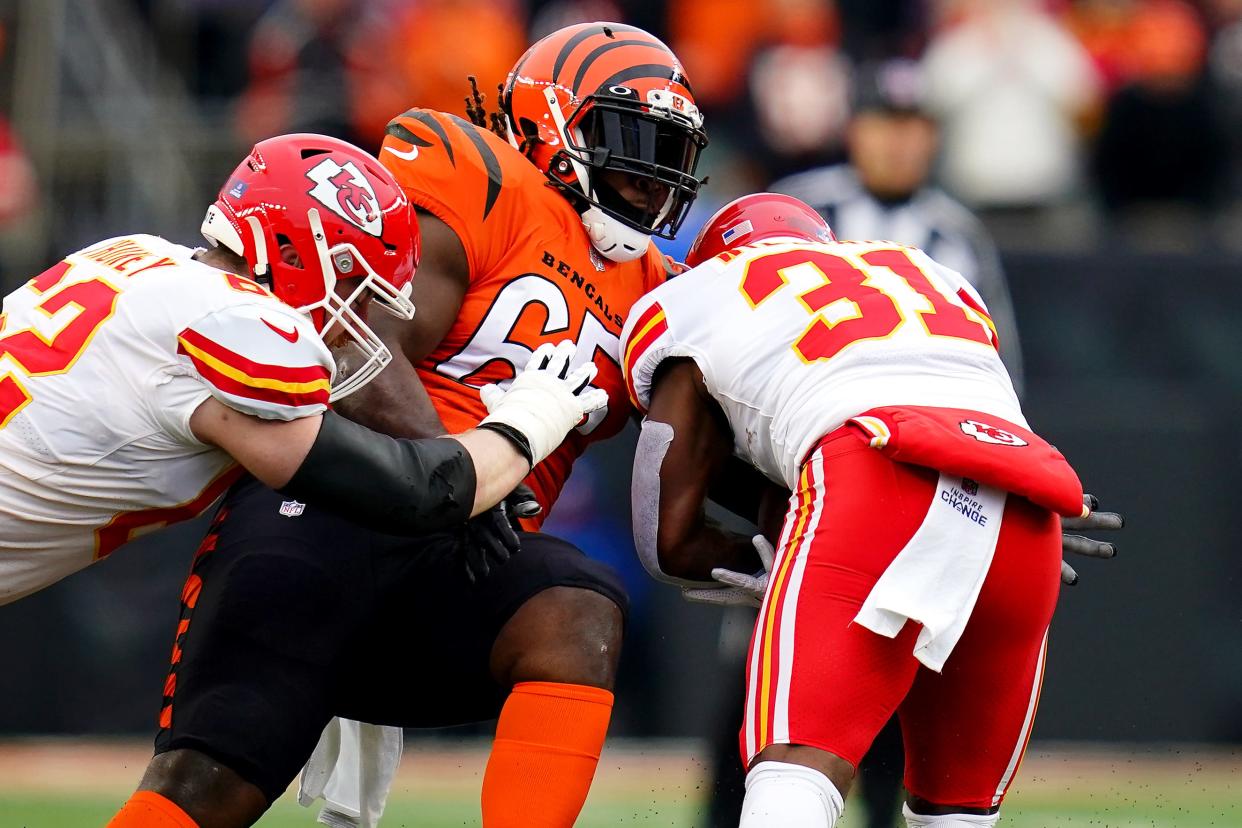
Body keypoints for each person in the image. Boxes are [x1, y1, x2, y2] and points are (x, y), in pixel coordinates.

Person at [110, 22, 708, 828]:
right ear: (549, 122)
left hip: (462, 556)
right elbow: (355, 331)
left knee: (578, 609)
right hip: (334, 507)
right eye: (630, 136)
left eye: (669, 149)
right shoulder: (478, 175)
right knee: (206, 791)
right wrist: (452, 482)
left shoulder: (657, 293)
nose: (651, 172)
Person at [622, 193, 1121, 828]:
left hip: (869, 474)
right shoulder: (930, 272)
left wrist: (774, 563)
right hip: (1026, 501)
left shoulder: (700, 296)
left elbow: (664, 535)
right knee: (957, 816)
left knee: (794, 778)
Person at [0, 131, 603, 607]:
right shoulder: (244, 329)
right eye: (355, 284)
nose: (358, 314)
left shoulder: (140, 255)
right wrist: (532, 418)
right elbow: (418, 491)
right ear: (289, 252)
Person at [771, 58, 1023, 391]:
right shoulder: (796, 209)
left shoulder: (959, 235)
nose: (897, 143)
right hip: (804, 403)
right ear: (854, 131)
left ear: (933, 138)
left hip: (925, 413)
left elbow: (999, 366)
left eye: (911, 127)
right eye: (884, 125)